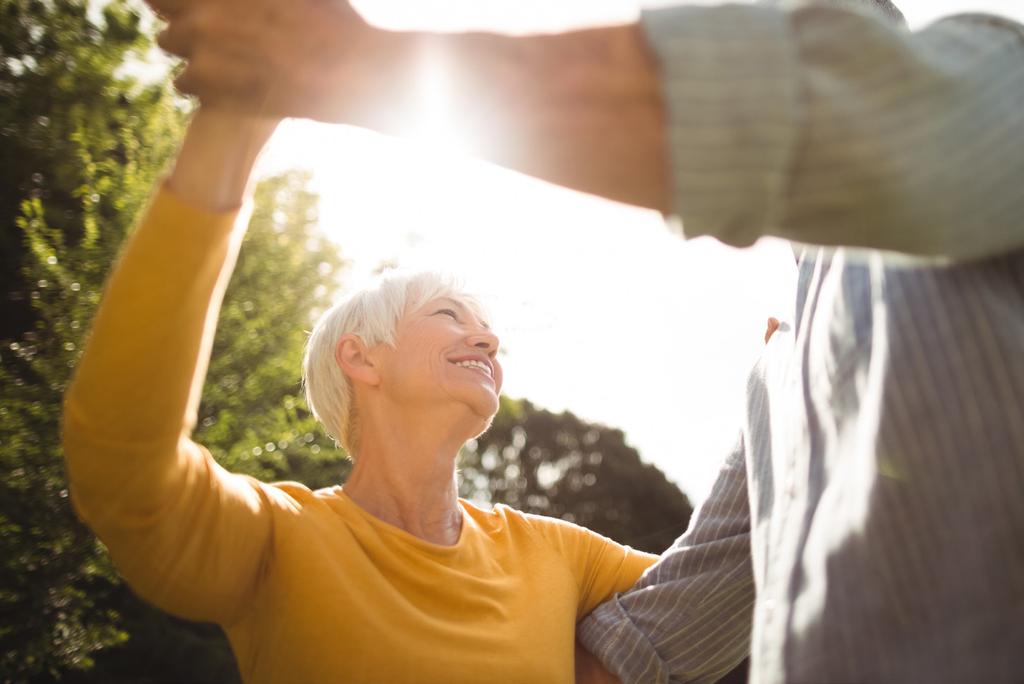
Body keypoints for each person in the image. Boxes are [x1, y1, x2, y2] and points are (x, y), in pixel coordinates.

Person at [144, 0, 1024, 681]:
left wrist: (351, 62)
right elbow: (664, 630)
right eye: (449, 314)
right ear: (358, 360)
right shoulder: (787, 364)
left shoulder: (997, 80)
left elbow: (843, 119)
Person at [60, 104, 658, 683]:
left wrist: (758, 398)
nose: (488, 337)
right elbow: (123, 462)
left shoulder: (558, 554)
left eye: (484, 327)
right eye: (450, 314)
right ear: (361, 357)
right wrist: (228, 137)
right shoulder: (278, 539)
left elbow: (726, 589)